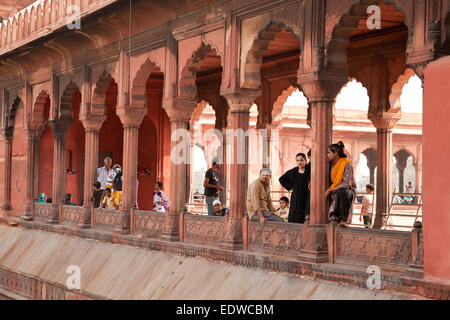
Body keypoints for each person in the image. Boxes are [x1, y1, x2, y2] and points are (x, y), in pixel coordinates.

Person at [324, 141, 357, 227]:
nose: (327, 155)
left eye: (329, 153)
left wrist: (329, 190)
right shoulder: (331, 165)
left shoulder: (346, 164)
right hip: (335, 192)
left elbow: (346, 184)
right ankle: (334, 216)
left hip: (347, 192)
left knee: (343, 191)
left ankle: (343, 219)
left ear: (336, 153)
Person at [279, 153, 310, 223]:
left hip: (305, 197)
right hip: (295, 197)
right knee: (293, 216)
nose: (299, 162)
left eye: (301, 160)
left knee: (302, 216)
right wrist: (289, 187)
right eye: (297, 160)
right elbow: (281, 179)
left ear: (305, 160)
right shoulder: (294, 171)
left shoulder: (309, 171)